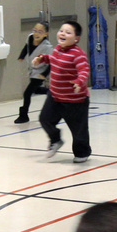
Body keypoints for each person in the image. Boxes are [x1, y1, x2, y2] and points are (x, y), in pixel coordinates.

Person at [33, 21, 92, 163]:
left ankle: (82, 152)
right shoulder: (58, 49)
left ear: (76, 38)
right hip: (55, 96)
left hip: (75, 101)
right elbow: (53, 59)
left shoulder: (78, 54)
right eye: (61, 30)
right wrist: (42, 58)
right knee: (45, 119)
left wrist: (79, 82)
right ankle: (56, 140)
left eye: (68, 32)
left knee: (78, 130)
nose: (63, 34)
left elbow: (84, 70)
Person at [14, 22, 53, 124]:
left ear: (46, 34)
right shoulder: (30, 38)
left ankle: (23, 115)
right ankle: (51, 92)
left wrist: (44, 74)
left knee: (27, 93)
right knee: (35, 90)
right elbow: (26, 47)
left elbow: (52, 63)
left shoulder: (47, 47)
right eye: (35, 30)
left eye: (40, 31)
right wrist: (22, 56)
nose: (36, 33)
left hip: (40, 71)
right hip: (32, 69)